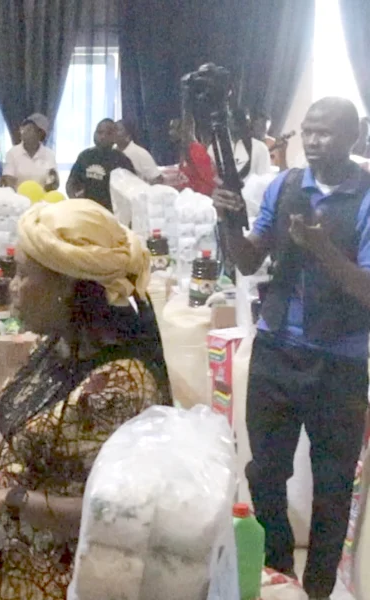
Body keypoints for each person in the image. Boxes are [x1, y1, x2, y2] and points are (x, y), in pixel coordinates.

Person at [0, 198, 170, 599]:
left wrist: (6, 499)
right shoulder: (60, 345)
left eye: (23, 275)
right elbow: (35, 422)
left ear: (68, 288)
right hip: (16, 562)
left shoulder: (119, 384)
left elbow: (114, 514)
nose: (12, 287)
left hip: (62, 579)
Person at [213, 97, 370, 600]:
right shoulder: (284, 186)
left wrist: (321, 248)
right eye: (308, 131)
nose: (314, 141)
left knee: (333, 485)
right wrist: (228, 220)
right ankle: (280, 575)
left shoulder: (366, 196)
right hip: (276, 350)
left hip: (340, 361)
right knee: (264, 473)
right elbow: (247, 260)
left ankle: (319, 590)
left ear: (353, 137)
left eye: (326, 132)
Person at [66, 118, 135, 211]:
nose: (102, 136)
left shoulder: (122, 160)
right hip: (86, 210)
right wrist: (76, 201)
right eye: (99, 132)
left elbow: (131, 190)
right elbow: (71, 183)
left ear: (114, 137)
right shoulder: (85, 156)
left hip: (110, 213)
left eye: (108, 133)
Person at [209, 108, 273, 179]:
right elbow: (209, 174)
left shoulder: (260, 148)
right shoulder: (215, 147)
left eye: (240, 120)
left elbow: (263, 179)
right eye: (230, 120)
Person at [2, 113, 58, 191]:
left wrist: (49, 186)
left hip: (42, 197)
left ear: (40, 134)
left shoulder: (49, 155)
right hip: (18, 197)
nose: (24, 132)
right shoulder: (12, 153)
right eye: (23, 129)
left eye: (29, 129)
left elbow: (53, 181)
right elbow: (8, 180)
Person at [169, 116, 217, 195]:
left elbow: (209, 181)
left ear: (183, 130)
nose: (170, 132)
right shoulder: (184, 150)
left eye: (173, 128)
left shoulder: (196, 149)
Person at [116, 118, 161, 183]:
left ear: (128, 134)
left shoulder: (140, 153)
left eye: (118, 130)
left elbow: (157, 178)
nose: (114, 133)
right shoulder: (112, 152)